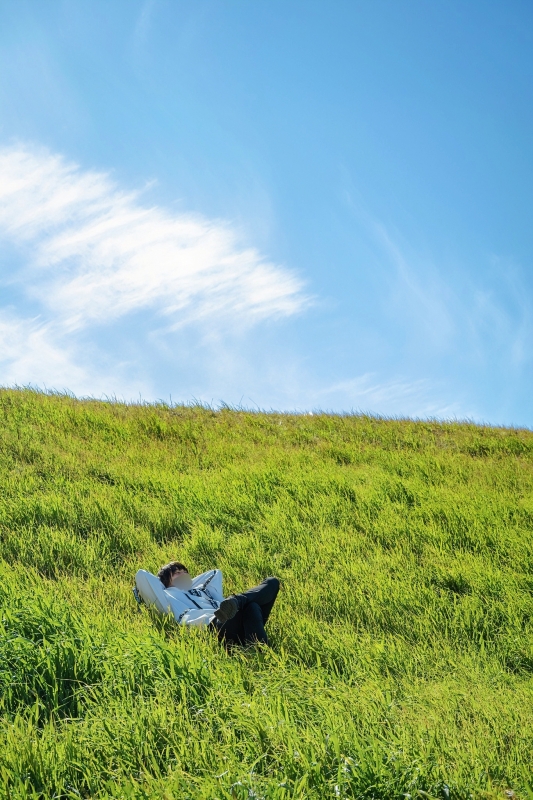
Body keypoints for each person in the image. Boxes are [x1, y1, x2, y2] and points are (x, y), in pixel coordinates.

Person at [134, 561, 279, 647]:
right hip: (212, 626)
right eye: (177, 573)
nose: (184, 575)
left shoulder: (205, 590)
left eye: (185, 572)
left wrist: (188, 583)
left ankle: (256, 648)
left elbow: (215, 573)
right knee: (251, 605)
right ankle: (261, 651)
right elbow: (142, 576)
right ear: (166, 582)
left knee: (272, 583)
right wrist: (164, 585)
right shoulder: (167, 596)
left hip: (232, 619)